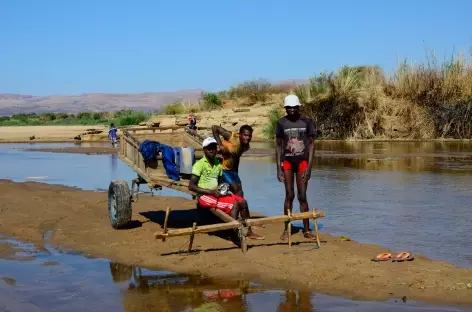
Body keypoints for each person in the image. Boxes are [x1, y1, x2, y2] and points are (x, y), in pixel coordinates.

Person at [188, 137, 264, 240]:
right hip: (204, 196)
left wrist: (223, 187)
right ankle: (232, 233)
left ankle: (249, 231)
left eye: (214, 148)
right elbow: (191, 186)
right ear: (204, 150)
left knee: (243, 202)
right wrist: (211, 192)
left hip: (215, 194)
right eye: (209, 148)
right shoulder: (199, 165)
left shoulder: (217, 164)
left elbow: (219, 182)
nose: (211, 150)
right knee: (234, 204)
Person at [275, 94, 316, 240]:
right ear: (286, 108)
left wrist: (309, 167)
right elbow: (278, 145)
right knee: (289, 195)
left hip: (302, 162)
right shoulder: (281, 123)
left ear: (298, 107)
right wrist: (278, 168)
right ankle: (287, 229)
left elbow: (311, 144)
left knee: (302, 196)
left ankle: (306, 229)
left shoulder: (307, 122)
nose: (291, 110)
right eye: (289, 107)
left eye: (294, 107)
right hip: (287, 162)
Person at [211, 124, 253, 197]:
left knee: (240, 190)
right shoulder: (232, 137)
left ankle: (236, 206)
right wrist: (220, 145)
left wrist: (236, 173)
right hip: (223, 169)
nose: (248, 138)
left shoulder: (246, 146)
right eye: (245, 135)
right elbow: (214, 128)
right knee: (236, 189)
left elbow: (236, 157)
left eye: (249, 136)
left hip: (232, 170)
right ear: (240, 134)